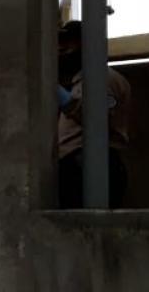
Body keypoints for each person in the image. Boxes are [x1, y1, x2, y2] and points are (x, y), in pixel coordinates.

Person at [57, 20, 133, 208]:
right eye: (60, 42)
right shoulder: (84, 80)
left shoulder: (103, 78)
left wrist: (65, 100)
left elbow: (98, 117)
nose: (61, 48)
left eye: (69, 42)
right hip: (80, 164)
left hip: (91, 164)